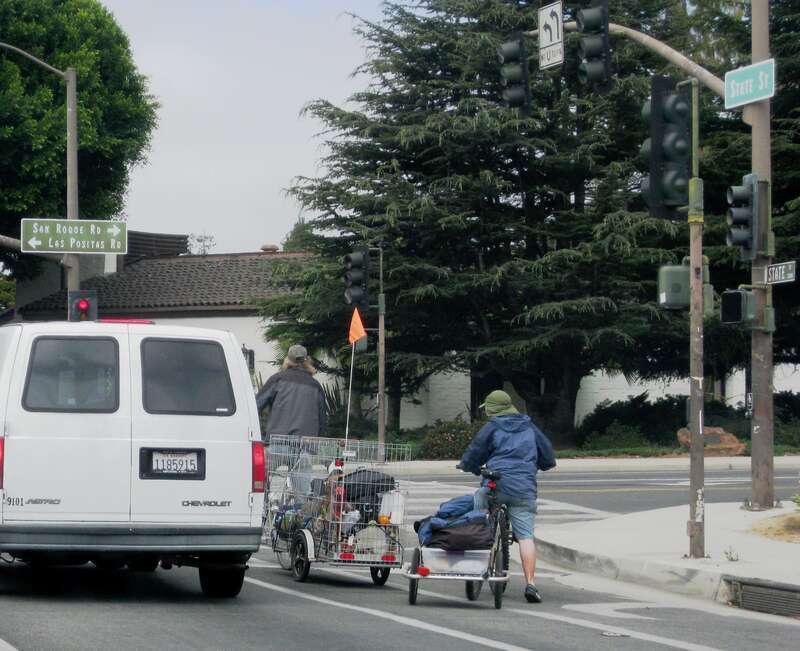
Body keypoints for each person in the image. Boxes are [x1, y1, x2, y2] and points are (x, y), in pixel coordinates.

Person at [458, 389, 556, 604]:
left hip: (497, 485)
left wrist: (468, 466)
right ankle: (531, 584)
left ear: (491, 409)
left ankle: (479, 536)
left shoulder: (492, 427)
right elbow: (548, 457)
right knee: (526, 537)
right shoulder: (530, 427)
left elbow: (475, 452)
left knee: (480, 501)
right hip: (524, 489)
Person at [256, 344, 326, 442]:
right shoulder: (316, 386)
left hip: (278, 443)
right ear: (307, 361)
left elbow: (255, 406)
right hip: (306, 446)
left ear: (287, 360)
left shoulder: (277, 379)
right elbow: (321, 421)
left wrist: (259, 435)